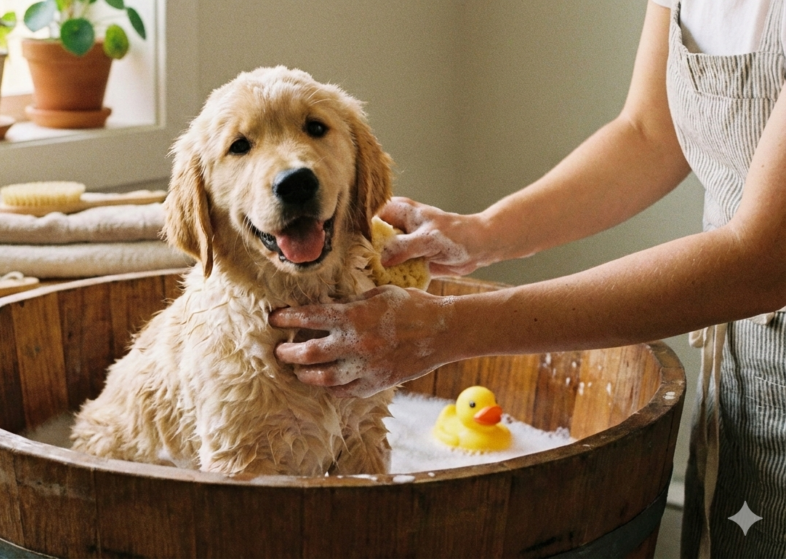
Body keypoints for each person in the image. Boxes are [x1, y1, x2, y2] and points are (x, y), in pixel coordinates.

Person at [268, 1, 786, 557]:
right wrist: (482, 232)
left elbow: (763, 257)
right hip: (741, 363)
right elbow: (647, 135)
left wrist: (445, 329)